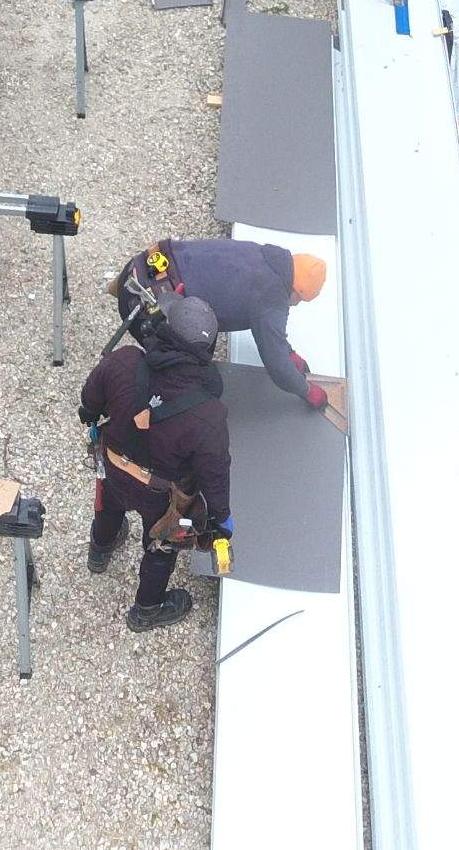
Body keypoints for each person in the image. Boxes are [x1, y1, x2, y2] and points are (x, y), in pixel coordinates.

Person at [80, 312, 232, 634]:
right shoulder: (209, 414)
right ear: (207, 351)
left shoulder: (124, 361)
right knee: (161, 544)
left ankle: (100, 550)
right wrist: (221, 517)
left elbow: (89, 401)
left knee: (109, 506)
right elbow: (214, 473)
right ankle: (147, 609)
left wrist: (93, 414)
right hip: (159, 493)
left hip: (112, 466)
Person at [136, 237, 329, 406]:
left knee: (201, 327)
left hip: (148, 263)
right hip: (147, 305)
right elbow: (277, 365)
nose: (295, 305)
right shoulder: (272, 298)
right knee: (203, 383)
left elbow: (275, 339)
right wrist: (307, 390)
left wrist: (288, 352)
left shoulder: (260, 253)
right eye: (300, 301)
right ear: (297, 291)